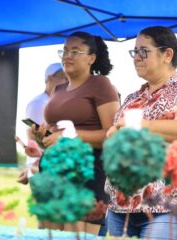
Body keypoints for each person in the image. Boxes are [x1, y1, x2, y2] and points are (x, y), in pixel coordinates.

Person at [105, 26, 177, 239]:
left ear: (167, 54)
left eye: (143, 51)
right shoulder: (132, 98)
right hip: (122, 208)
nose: (136, 57)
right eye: (134, 52)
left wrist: (143, 126)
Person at [32, 31, 120, 234]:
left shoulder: (100, 84)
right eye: (64, 51)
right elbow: (57, 132)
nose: (67, 56)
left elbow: (112, 135)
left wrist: (69, 136)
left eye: (75, 51)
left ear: (91, 58)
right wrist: (43, 134)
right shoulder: (59, 89)